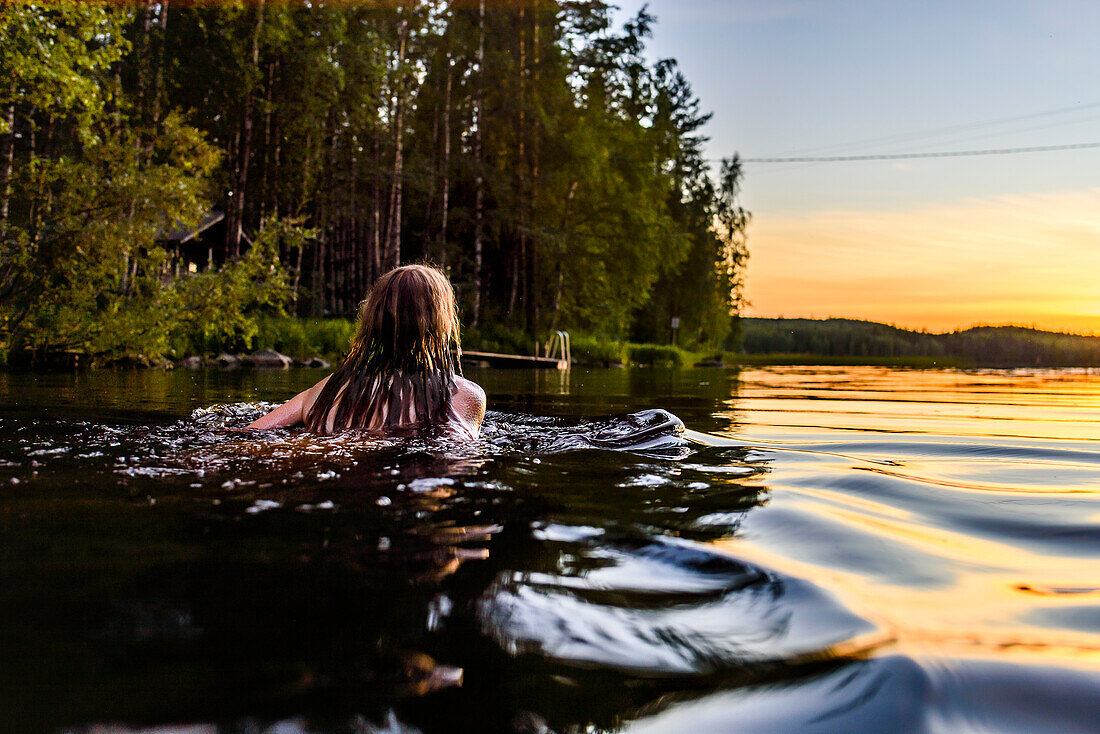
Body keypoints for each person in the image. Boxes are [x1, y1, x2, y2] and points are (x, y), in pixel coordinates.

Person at [246, 264, 485, 438]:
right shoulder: (466, 396)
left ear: (372, 320)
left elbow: (248, 434)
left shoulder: (322, 392)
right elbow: (457, 453)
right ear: (440, 325)